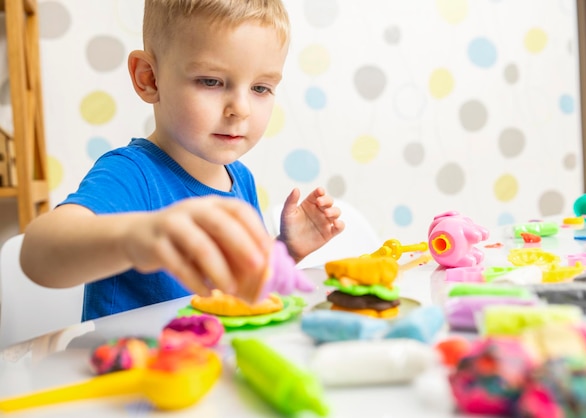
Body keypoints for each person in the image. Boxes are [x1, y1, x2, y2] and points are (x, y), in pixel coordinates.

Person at [20, 0, 344, 321]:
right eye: (211, 81)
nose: (241, 109)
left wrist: (286, 250)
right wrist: (136, 237)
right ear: (149, 78)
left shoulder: (240, 178)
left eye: (260, 88)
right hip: (139, 368)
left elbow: (233, 287)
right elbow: (37, 256)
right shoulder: (132, 174)